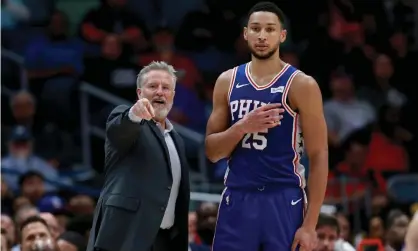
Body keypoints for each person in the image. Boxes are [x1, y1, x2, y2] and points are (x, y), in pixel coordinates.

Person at [205, 2, 328, 251]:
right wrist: (242, 127)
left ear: (282, 35)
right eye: (256, 28)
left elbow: (319, 154)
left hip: (283, 196)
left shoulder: (302, 85)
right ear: (245, 34)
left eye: (270, 29)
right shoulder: (226, 81)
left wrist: (309, 225)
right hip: (238, 195)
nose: (262, 35)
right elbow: (212, 151)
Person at [87, 61, 190, 251]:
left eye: (166, 88)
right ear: (139, 93)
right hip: (124, 238)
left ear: (172, 96)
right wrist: (134, 114)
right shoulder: (126, 119)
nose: (160, 92)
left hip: (162, 241)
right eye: (152, 86)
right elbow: (119, 130)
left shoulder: (177, 139)